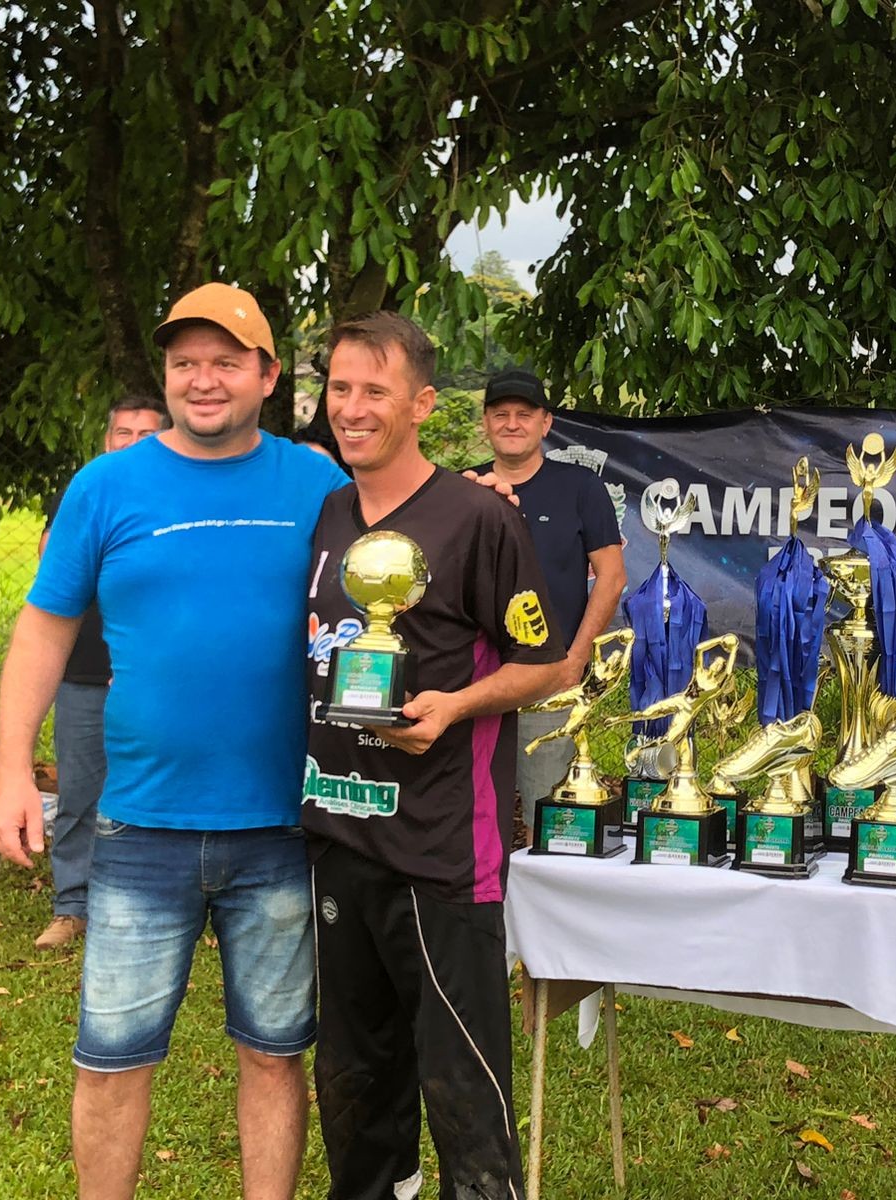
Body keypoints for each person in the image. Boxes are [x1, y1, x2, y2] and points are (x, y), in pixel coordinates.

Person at [0, 281, 348, 1200]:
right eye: (185, 361)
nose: (203, 379)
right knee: (111, 1058)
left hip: (281, 826)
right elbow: (43, 628)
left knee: (273, 1055)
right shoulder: (107, 485)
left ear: (267, 375)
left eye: (226, 361)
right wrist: (12, 774)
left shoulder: (318, 485)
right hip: (139, 827)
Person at [303, 314, 566, 1200]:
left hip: (443, 850)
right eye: (340, 388)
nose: (352, 408)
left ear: (420, 403)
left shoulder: (479, 518)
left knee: (464, 1099)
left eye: (373, 390)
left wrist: (455, 705)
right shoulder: (332, 513)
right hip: (340, 834)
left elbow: (545, 666)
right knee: (354, 1089)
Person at [34, 393, 167, 953]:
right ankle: (73, 907)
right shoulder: (86, 492)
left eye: (146, 434)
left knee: (162, 791)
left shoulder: (181, 496)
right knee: (81, 793)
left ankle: (168, 904)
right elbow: (52, 565)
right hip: (86, 674)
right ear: (106, 441)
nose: (133, 444)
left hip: (163, 680)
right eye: (123, 433)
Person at [469, 368, 626, 832]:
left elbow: (612, 578)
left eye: (524, 414)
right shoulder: (464, 489)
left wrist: (573, 661)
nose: (512, 423)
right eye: (501, 415)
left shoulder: (581, 488)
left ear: (546, 423)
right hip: (476, 680)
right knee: (472, 813)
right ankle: (483, 903)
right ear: (486, 423)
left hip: (550, 681)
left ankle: (547, 903)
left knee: (552, 817)